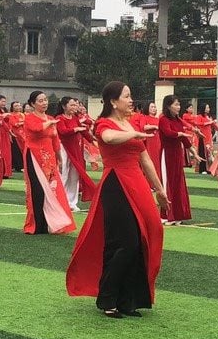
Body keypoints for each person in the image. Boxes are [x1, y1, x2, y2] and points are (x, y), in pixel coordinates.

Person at [66, 82, 166, 319]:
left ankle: (128, 300)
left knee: (150, 232)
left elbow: (145, 159)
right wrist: (135, 134)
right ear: (113, 101)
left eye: (131, 96)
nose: (131, 100)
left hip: (137, 182)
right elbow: (109, 138)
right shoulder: (104, 123)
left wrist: (160, 189)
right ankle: (108, 298)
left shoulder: (130, 124)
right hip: (116, 183)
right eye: (127, 96)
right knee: (125, 241)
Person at [22, 90, 77, 235]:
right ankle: (37, 225)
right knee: (38, 190)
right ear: (33, 104)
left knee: (52, 190)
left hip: (49, 158)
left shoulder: (50, 118)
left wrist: (59, 157)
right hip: (34, 156)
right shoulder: (30, 118)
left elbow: (55, 140)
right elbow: (36, 129)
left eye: (45, 100)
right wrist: (49, 123)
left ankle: (51, 223)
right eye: (40, 101)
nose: (44, 103)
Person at [157, 95, 193, 225]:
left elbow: (184, 139)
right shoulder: (163, 120)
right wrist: (180, 134)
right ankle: (166, 214)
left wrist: (193, 151)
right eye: (176, 104)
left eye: (179, 104)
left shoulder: (178, 120)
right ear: (168, 106)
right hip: (167, 155)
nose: (178, 107)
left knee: (178, 184)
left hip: (178, 154)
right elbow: (168, 133)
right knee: (168, 183)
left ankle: (178, 214)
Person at [55, 97, 93, 210]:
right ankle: (61, 200)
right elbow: (62, 131)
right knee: (64, 174)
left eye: (75, 105)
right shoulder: (59, 118)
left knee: (74, 175)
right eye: (71, 105)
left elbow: (84, 131)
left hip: (75, 148)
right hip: (64, 148)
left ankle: (72, 202)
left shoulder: (75, 118)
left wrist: (93, 140)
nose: (74, 107)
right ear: (64, 106)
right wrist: (75, 129)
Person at [8, 100, 26, 175]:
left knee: (23, 150)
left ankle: (23, 165)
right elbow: (15, 124)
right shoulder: (11, 115)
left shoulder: (23, 115)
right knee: (16, 151)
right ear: (12, 107)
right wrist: (22, 123)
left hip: (23, 135)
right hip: (15, 135)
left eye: (19, 105)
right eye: (16, 106)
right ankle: (18, 166)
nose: (18, 107)